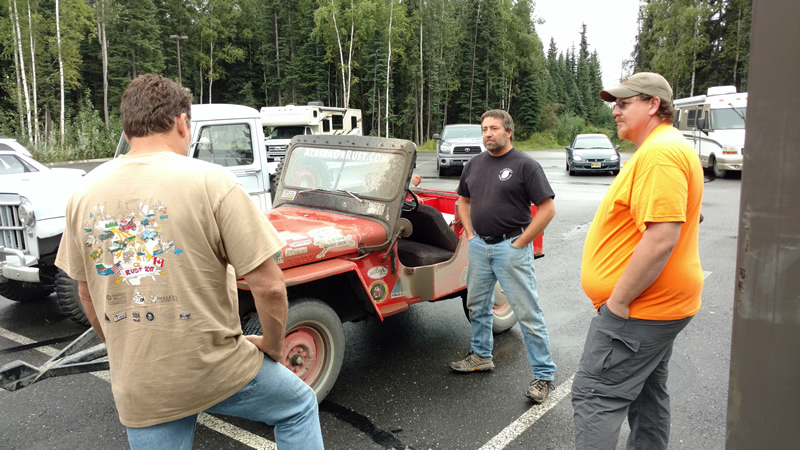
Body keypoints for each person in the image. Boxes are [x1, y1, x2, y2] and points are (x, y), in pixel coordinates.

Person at [55, 74, 323, 450]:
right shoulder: (212, 181)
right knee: (298, 407)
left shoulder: (82, 194)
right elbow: (269, 286)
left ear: (127, 129)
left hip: (141, 383)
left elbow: (86, 293)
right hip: (216, 368)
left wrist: (121, 351)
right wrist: (274, 346)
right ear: (182, 123)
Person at [571, 72, 704, 449]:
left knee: (595, 396)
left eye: (624, 103)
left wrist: (617, 304)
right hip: (659, 307)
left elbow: (661, 238)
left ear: (653, 104)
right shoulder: (665, 147)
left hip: (640, 310)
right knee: (647, 392)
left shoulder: (660, 153)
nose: (615, 111)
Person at [449, 109, 558, 403]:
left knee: (527, 313)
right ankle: (481, 356)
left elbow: (547, 209)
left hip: (511, 247)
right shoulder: (474, 164)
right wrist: (470, 234)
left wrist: (520, 243)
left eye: (494, 128)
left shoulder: (525, 166)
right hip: (479, 246)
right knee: (477, 305)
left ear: (509, 132)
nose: (488, 134)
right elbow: (463, 201)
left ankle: (544, 376)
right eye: (484, 129)